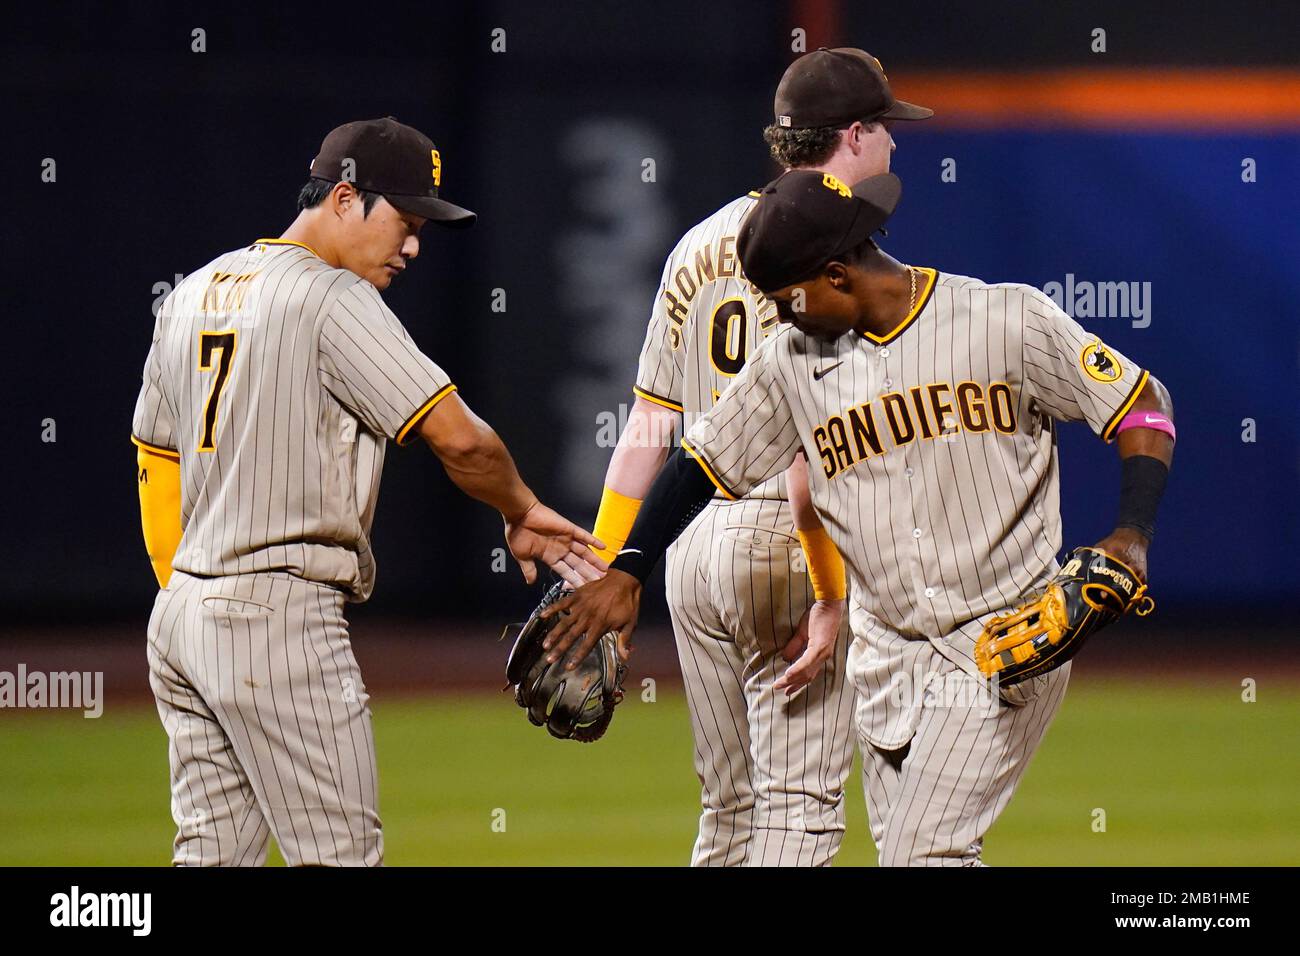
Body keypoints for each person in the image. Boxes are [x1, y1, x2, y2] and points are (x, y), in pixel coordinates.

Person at [543, 169, 1175, 866]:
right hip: (883, 660)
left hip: (1002, 643)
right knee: (916, 857)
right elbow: (700, 461)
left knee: (923, 855)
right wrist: (629, 567)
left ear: (838, 274)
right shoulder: (791, 362)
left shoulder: (1004, 320)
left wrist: (1131, 535)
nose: (782, 318)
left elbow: (1143, 404)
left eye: (789, 299)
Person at [131, 117, 605, 866]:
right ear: (345, 198)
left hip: (183, 620)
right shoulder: (330, 297)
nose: (414, 245)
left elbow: (155, 459)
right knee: (341, 857)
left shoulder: (190, 294)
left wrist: (182, 596)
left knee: (211, 859)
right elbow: (460, 437)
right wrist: (519, 508)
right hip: (277, 617)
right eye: (406, 222)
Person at [586, 48, 930, 865]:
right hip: (788, 535)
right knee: (800, 811)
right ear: (851, 136)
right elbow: (813, 438)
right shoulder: (836, 248)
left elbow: (647, 427)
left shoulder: (697, 243)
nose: (894, 146)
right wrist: (829, 585)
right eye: (884, 129)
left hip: (691, 546)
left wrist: (607, 565)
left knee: (730, 811)